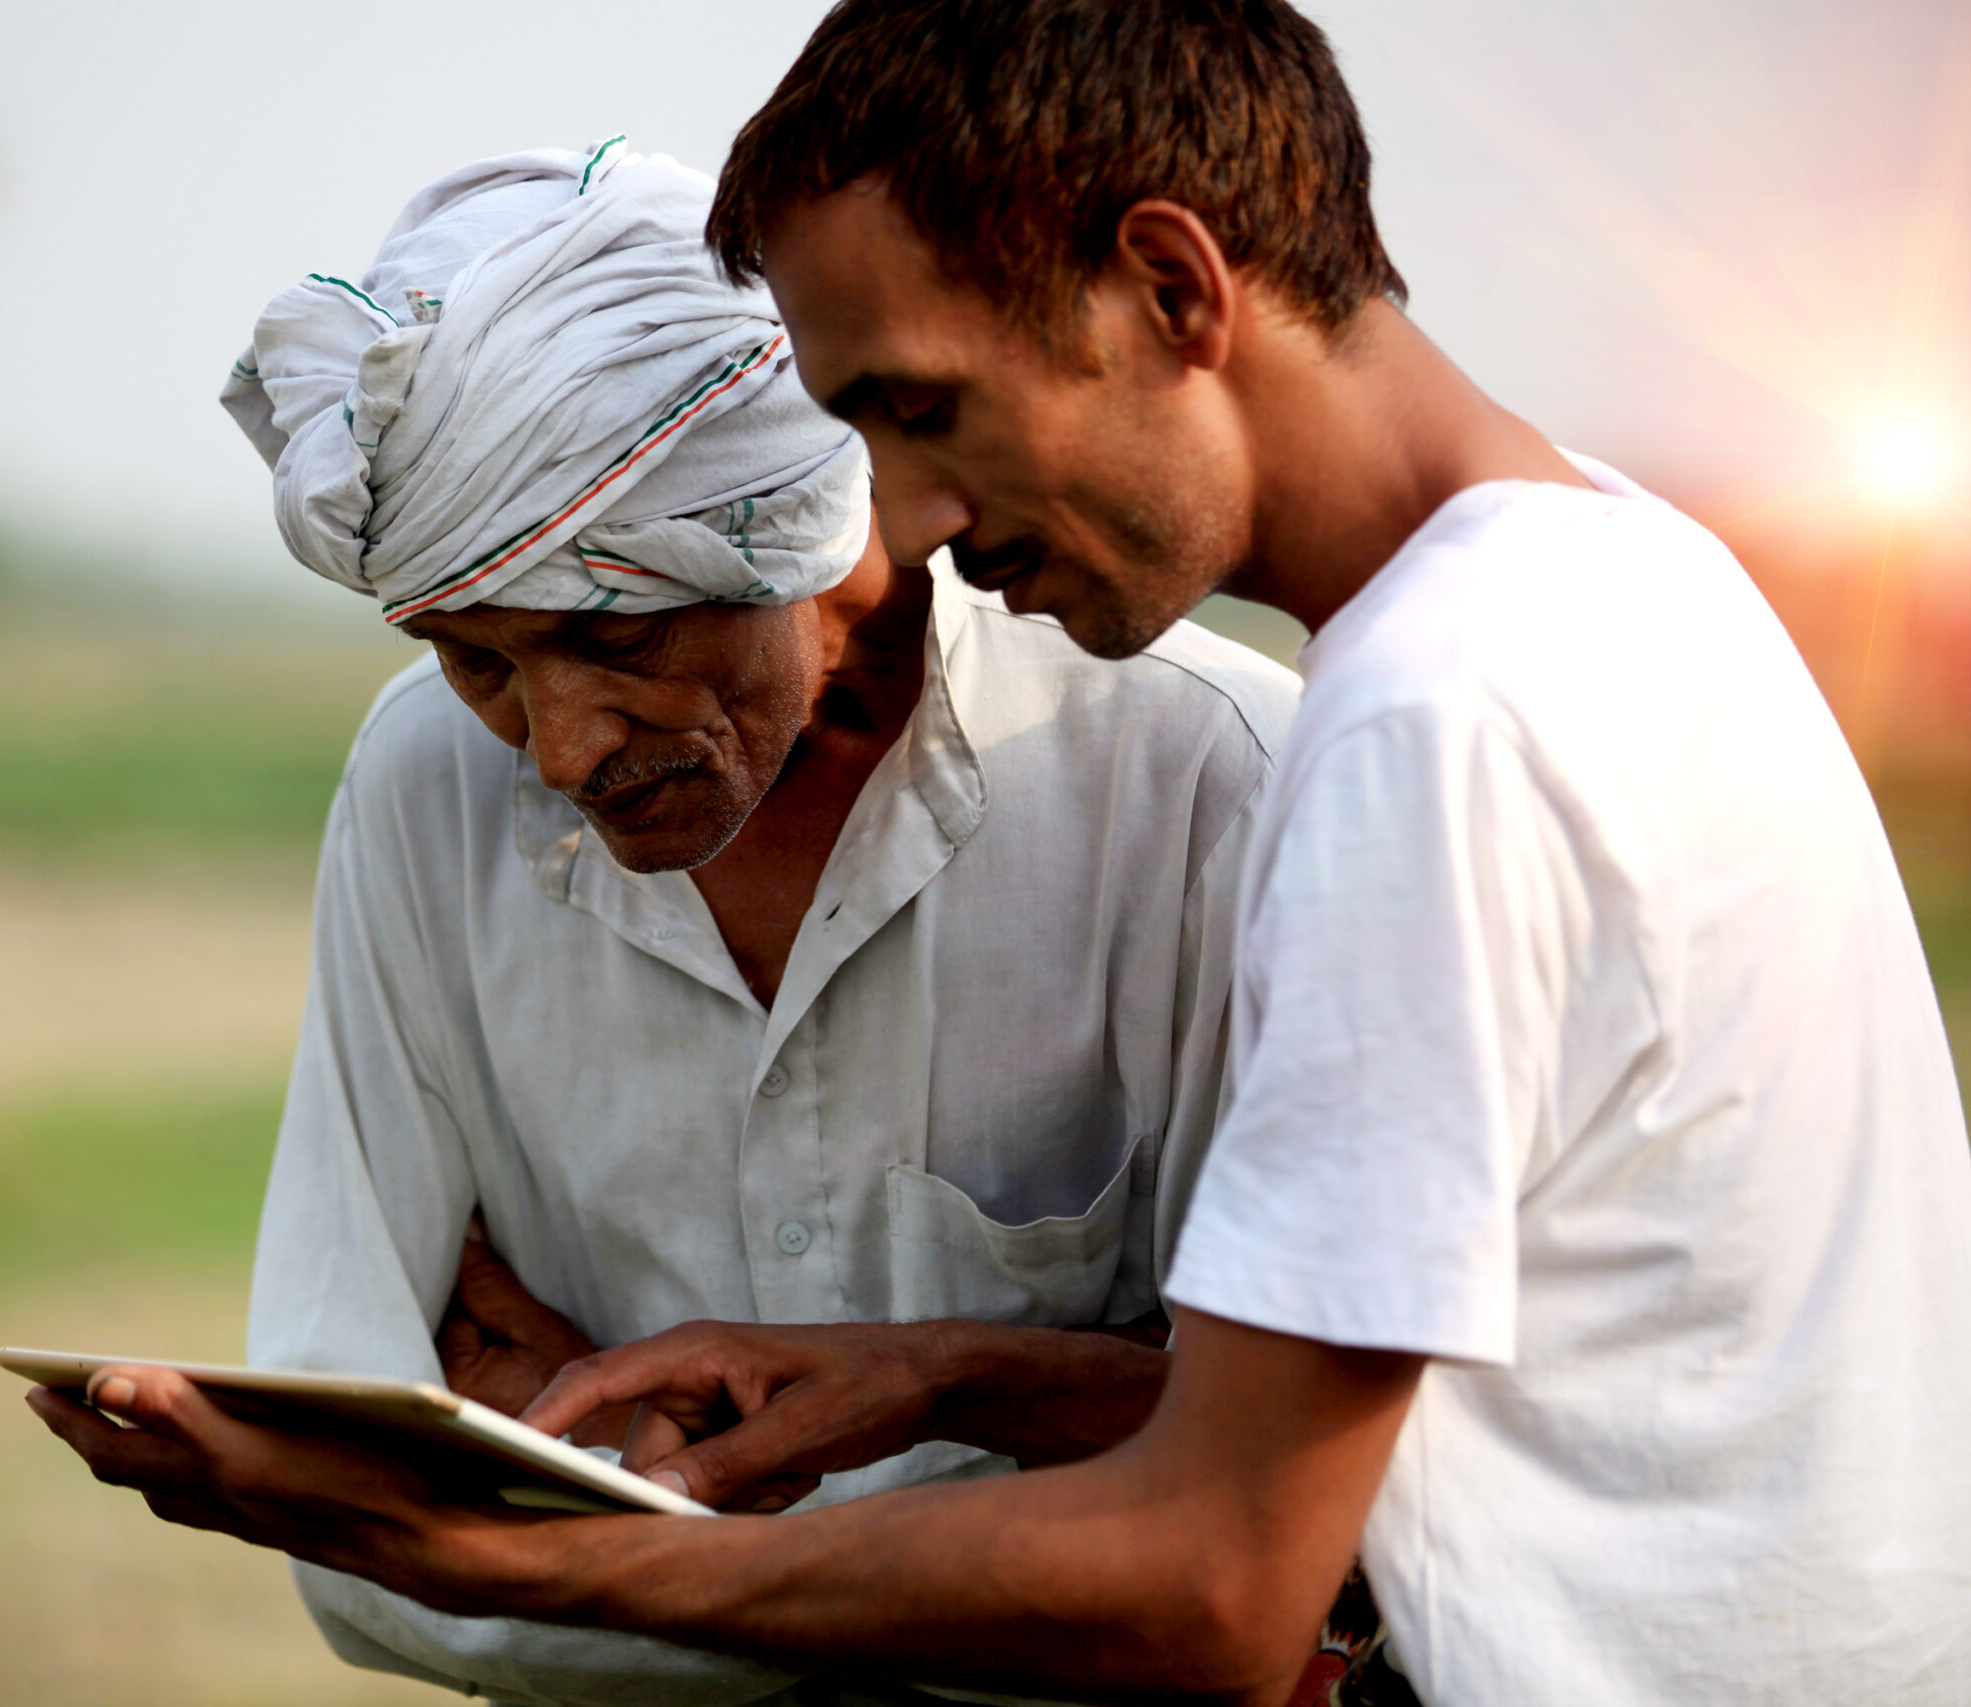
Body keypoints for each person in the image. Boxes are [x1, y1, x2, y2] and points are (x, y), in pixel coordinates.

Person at [30, 3, 1971, 1701]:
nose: (903, 517)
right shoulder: (1611, 569)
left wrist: (536, 1552)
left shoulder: (1422, 732)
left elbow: (1221, 1582)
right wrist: (942, 1377)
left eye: (915, 412)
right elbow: (1457, 1410)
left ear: (1170, 285)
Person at [198, 142, 1302, 1705]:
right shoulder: (420, 785)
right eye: (480, 660)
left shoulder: (1204, 780)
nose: (563, 747)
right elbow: (355, 1514)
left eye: (619, 634)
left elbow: (1277, 1514)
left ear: (788, 516)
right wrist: (1030, 1461)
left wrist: (585, 1496)